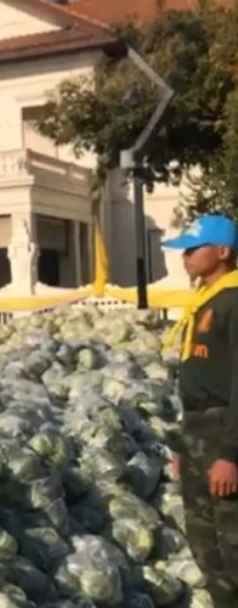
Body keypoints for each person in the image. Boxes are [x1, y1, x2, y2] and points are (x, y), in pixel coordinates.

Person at [162, 214, 238, 605]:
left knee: (232, 539)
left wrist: (229, 453)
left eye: (194, 249)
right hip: (197, 433)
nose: (186, 257)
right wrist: (184, 445)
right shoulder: (202, 302)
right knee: (203, 538)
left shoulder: (233, 302)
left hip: (225, 429)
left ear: (223, 252)